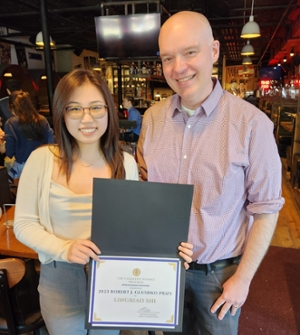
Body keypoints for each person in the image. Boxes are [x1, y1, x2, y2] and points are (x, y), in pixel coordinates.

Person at [13, 69, 193, 335]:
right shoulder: (43, 160)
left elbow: (133, 231)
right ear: (62, 113)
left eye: (96, 107)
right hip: (60, 280)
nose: (87, 118)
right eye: (75, 108)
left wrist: (169, 252)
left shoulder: (125, 164)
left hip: (112, 280)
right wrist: (65, 248)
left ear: (109, 110)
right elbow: (24, 224)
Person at [137, 11, 284, 335]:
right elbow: (145, 190)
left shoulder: (252, 125)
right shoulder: (152, 118)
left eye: (190, 52)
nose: (178, 68)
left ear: (214, 51)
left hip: (219, 275)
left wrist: (242, 280)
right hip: (164, 269)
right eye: (167, 58)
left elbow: (266, 210)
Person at [3, 91, 54, 178]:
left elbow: (9, 152)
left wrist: (4, 143)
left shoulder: (10, 123)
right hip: (43, 164)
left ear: (11, 107)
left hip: (23, 167)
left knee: (6, 183)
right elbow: (51, 143)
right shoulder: (42, 119)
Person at [0, 78, 22, 165]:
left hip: (7, 145)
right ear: (21, 90)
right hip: (27, 147)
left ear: (8, 91)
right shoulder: (26, 102)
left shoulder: (1, 103)